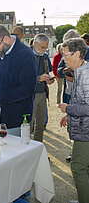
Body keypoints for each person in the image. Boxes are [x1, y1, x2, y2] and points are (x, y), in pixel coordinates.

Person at [0, 24, 37, 202]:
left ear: (6, 39)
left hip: (18, 115)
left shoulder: (26, 55)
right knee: (3, 152)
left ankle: (22, 195)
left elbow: (27, 90)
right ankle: (6, 191)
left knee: (16, 157)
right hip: (2, 110)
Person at [59, 38, 89, 203]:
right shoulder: (80, 70)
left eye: (65, 55)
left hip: (86, 131)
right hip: (84, 127)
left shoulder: (85, 73)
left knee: (78, 167)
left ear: (77, 54)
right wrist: (69, 115)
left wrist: (68, 109)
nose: (63, 58)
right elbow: (81, 101)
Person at [31, 34, 54, 142]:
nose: (45, 50)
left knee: (40, 125)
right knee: (29, 125)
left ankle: (38, 149)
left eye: (46, 48)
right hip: (30, 95)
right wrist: (38, 78)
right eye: (42, 47)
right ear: (35, 44)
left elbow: (47, 71)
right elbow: (21, 77)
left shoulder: (44, 56)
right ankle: (27, 153)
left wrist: (48, 79)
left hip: (42, 93)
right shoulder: (26, 55)